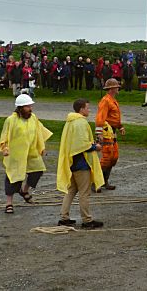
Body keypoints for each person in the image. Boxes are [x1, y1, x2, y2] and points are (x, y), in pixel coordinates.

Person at [0, 94, 53, 213]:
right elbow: (5, 135)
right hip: (16, 154)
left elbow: (39, 132)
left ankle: (24, 190)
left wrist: (41, 147)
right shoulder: (11, 120)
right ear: (20, 107)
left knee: (37, 170)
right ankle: (9, 203)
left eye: (30, 106)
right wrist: (5, 148)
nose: (30, 108)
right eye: (28, 106)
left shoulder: (33, 118)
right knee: (13, 177)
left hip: (31, 152)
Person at [57, 98, 105, 228]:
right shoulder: (80, 123)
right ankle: (87, 220)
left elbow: (75, 143)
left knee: (71, 190)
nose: (89, 110)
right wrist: (95, 147)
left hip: (71, 162)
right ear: (81, 109)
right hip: (81, 163)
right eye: (88, 108)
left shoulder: (70, 122)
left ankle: (64, 217)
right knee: (84, 193)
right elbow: (81, 145)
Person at [95, 78, 125, 191]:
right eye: (117, 87)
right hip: (106, 132)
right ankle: (96, 182)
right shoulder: (105, 101)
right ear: (112, 88)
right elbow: (100, 117)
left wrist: (120, 126)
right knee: (107, 157)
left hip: (112, 131)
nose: (118, 88)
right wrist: (99, 133)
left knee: (113, 157)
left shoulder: (112, 100)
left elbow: (113, 117)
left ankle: (104, 181)